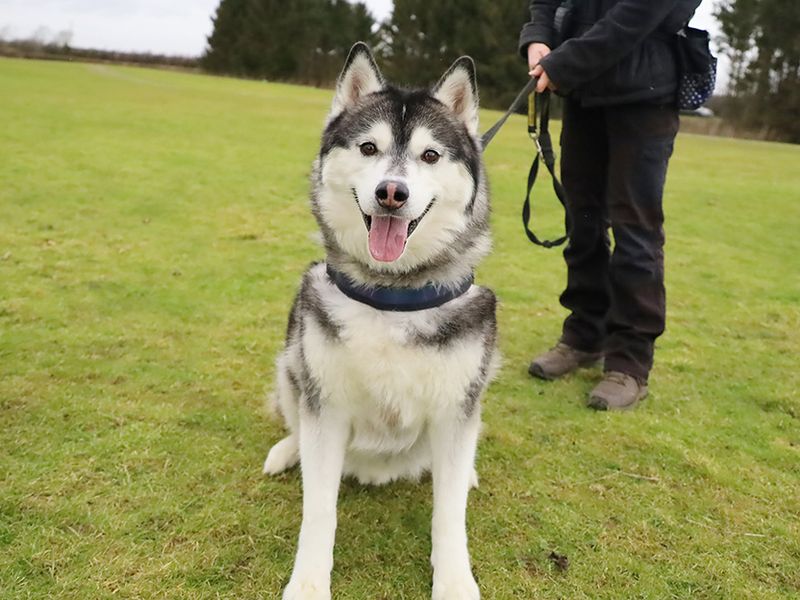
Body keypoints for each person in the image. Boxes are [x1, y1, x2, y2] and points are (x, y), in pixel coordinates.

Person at [520, 0, 701, 410]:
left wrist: (565, 62)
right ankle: (584, 335)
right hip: (584, 95)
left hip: (644, 97)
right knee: (582, 223)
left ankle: (630, 362)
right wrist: (538, 38)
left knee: (635, 232)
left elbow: (640, 12)